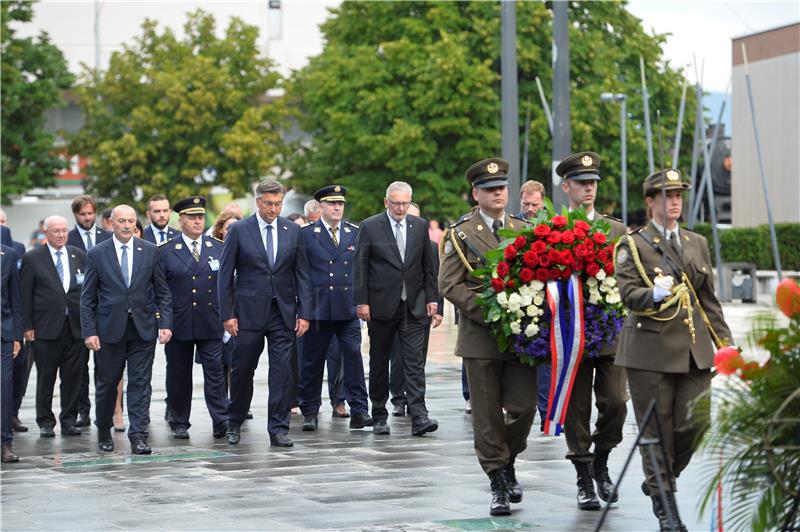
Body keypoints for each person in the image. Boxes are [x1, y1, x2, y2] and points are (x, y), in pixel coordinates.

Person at [614, 168, 733, 531]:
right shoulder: (632, 245)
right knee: (656, 431)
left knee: (695, 424)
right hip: (649, 351)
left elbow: (709, 300)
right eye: (667, 196)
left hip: (694, 351)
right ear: (650, 202)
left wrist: (726, 345)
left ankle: (657, 481)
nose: (675, 202)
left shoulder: (696, 243)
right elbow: (628, 295)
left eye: (679, 195)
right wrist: (654, 293)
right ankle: (666, 508)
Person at [438, 158, 536, 516]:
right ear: (476, 193)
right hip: (481, 336)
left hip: (521, 336)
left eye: (502, 188)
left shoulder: (522, 228)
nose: (498, 193)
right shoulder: (461, 233)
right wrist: (492, 313)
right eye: (490, 189)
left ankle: (508, 458)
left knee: (525, 406)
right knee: (486, 413)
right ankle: (497, 478)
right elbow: (449, 284)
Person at [554, 152, 629, 510]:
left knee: (615, 401)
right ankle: (584, 476)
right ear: (566, 186)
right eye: (581, 182)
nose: (589, 188)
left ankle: (602, 457)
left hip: (610, 332)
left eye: (593, 182)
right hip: (571, 335)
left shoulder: (615, 229)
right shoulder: (552, 229)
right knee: (576, 408)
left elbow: (629, 276)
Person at [218, 180, 311, 447]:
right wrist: (228, 314)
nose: (273, 209)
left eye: (278, 204)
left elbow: (302, 274)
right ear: (258, 202)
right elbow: (225, 275)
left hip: (282, 312)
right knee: (243, 370)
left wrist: (304, 313)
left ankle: (279, 428)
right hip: (247, 313)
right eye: (268, 204)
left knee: (282, 373)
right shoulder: (239, 230)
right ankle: (234, 421)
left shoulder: (293, 231)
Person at [80, 205, 173, 454]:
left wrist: (165, 323)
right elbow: (87, 297)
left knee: (141, 383)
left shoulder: (149, 251)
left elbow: (163, 292)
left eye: (131, 221)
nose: (127, 225)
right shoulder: (98, 253)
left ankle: (139, 435)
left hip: (142, 328)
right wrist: (89, 331)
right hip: (109, 329)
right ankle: (103, 429)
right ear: (111, 222)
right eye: (121, 221)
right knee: (108, 383)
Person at [353, 182, 439, 437]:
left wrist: (432, 298)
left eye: (405, 203)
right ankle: (379, 413)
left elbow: (428, 266)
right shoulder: (370, 226)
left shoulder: (419, 226)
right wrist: (362, 301)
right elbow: (361, 265)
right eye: (396, 203)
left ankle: (419, 415)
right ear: (386, 202)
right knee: (379, 361)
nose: (401, 208)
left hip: (412, 305)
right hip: (380, 305)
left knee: (413, 362)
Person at [297, 185, 372, 432]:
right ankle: (309, 410)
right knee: (312, 362)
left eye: (340, 203)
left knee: (353, 359)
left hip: (347, 308)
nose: (337, 208)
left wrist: (362, 301)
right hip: (317, 310)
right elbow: (302, 275)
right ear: (321, 207)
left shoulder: (354, 232)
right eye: (331, 204)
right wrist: (303, 311)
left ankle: (360, 410)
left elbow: (362, 270)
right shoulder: (307, 234)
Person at [159, 196, 228, 440]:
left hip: (211, 320)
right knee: (178, 375)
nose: (198, 221)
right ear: (181, 220)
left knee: (215, 372)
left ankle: (221, 419)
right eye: (192, 217)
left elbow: (227, 285)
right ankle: (179, 421)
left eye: (200, 216)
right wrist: (163, 322)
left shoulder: (218, 247)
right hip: (179, 322)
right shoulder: (166, 251)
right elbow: (162, 290)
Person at [19, 215, 87, 437]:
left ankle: (68, 420)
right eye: (56, 231)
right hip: (45, 328)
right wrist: (27, 327)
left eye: (64, 230)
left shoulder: (79, 255)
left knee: (73, 377)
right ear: (46, 233)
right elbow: (25, 295)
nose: (61, 234)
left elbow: (84, 292)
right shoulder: (33, 258)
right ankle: (46, 421)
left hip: (75, 327)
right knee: (46, 377)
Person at [388, 202, 444, 417]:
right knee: (398, 356)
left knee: (417, 357)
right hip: (395, 308)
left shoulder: (430, 246)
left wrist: (438, 307)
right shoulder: (390, 243)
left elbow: (434, 278)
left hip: (420, 309)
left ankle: (415, 401)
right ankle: (398, 398)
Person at [66, 194, 112, 427]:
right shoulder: (69, 238)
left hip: (107, 309)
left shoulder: (107, 236)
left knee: (104, 365)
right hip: (79, 309)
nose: (87, 217)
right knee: (79, 366)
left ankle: (105, 410)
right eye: (83, 214)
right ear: (75, 215)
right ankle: (83, 409)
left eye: (91, 213)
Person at [1, 244, 23, 462]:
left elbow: (16, 298)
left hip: (3, 335)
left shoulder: (7, 255)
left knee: (4, 388)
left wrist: (17, 336)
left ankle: (4, 443)